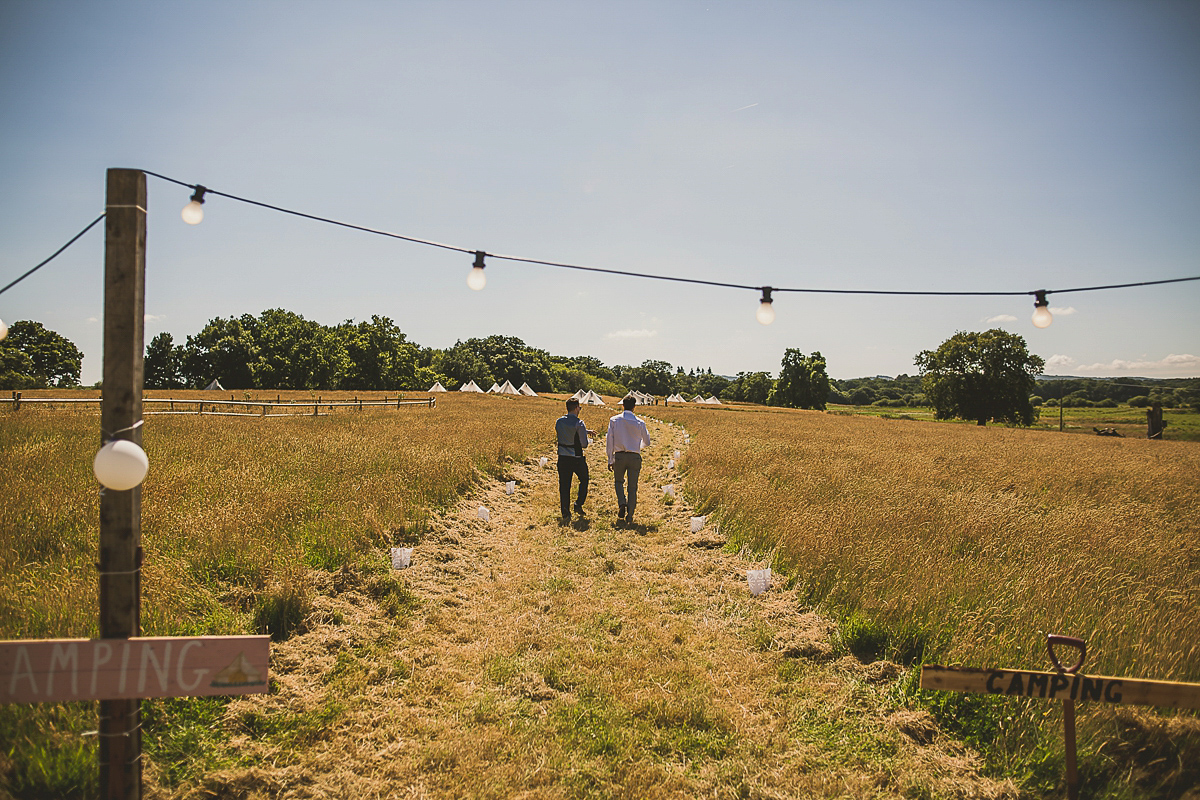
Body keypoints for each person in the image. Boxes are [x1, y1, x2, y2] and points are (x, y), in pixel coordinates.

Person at [606, 396, 651, 526]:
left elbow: (610, 441)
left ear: (623, 405)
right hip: (634, 456)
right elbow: (647, 442)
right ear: (634, 407)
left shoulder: (614, 420)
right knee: (632, 487)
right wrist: (637, 446)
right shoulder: (640, 422)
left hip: (619, 455)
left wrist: (610, 458)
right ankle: (630, 515)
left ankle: (622, 503)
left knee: (618, 482)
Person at [555, 398, 592, 523]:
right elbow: (584, 444)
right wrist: (585, 433)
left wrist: (586, 431)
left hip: (562, 457)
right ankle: (578, 504)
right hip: (576, 458)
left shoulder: (559, 421)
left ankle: (565, 512)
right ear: (576, 408)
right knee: (584, 479)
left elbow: (567, 431)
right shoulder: (579, 423)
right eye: (579, 408)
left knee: (564, 485)